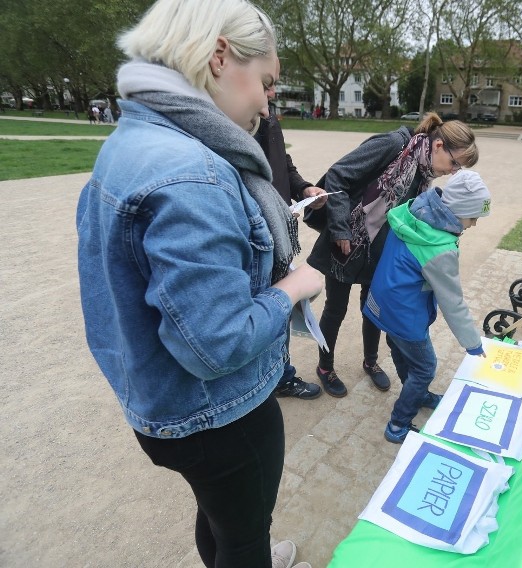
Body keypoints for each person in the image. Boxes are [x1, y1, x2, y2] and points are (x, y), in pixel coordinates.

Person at [75, 1, 322, 567]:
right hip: (221, 412)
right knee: (244, 534)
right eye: (266, 81)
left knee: (220, 513)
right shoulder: (194, 172)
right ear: (218, 57)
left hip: (164, 405)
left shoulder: (132, 141)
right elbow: (216, 343)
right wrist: (293, 287)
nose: (266, 101)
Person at [306, 112, 478, 398]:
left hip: (381, 250)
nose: (453, 172)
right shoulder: (393, 145)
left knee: (374, 307)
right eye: (454, 163)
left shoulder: (423, 172)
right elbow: (338, 174)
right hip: (347, 242)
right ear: (438, 146)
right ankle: (325, 367)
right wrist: (339, 229)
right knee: (335, 308)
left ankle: (370, 362)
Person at [362, 170, 491, 443]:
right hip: (404, 312)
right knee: (425, 367)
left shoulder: (415, 211)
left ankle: (417, 394)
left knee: (401, 352)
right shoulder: (440, 249)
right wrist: (472, 342)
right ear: (457, 212)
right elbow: (452, 301)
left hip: (384, 300)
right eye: (473, 218)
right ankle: (398, 423)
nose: (475, 225)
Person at [254, 90, 328, 401]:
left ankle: (279, 374)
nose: (272, 91)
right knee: (271, 306)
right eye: (266, 81)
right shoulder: (240, 119)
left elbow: (282, 163)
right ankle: (275, 379)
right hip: (260, 232)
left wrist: (303, 187)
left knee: (280, 310)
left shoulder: (265, 111)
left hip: (280, 227)